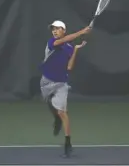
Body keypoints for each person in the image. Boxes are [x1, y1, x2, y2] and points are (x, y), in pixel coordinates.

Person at [40, 20, 91, 157]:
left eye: (57, 29)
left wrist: (75, 50)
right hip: (46, 81)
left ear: (64, 30)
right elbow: (66, 39)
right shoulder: (52, 42)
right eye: (53, 29)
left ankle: (68, 143)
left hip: (61, 83)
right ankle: (56, 118)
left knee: (62, 112)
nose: (54, 31)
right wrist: (81, 32)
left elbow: (69, 67)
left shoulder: (68, 47)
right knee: (50, 103)